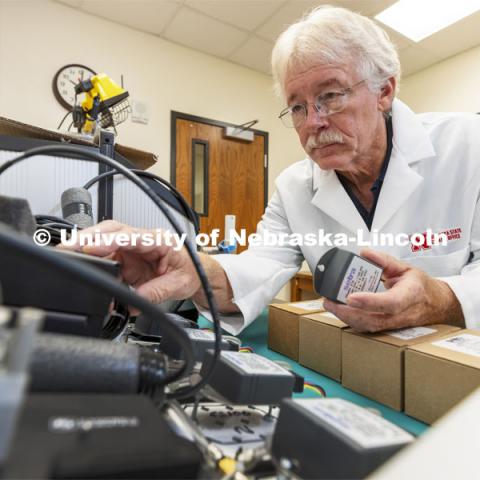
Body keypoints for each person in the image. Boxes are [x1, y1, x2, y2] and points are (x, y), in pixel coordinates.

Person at [63, 6, 480, 335]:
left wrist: (440, 296)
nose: (313, 122)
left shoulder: (468, 145)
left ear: (384, 91)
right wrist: (190, 267)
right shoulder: (294, 186)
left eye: (330, 95)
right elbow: (257, 268)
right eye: (297, 106)